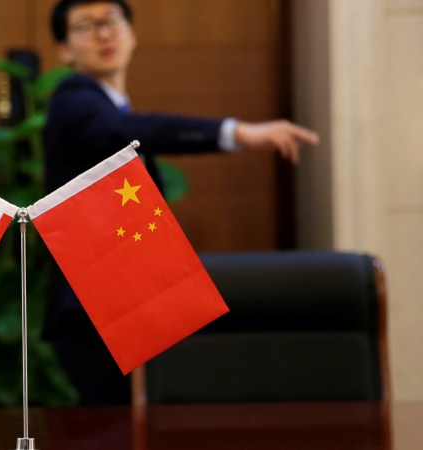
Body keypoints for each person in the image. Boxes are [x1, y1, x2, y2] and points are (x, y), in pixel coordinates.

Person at [44, 0, 319, 405]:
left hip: (124, 304)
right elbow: (129, 131)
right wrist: (236, 132)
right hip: (94, 312)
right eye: (86, 26)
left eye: (112, 22)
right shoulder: (75, 98)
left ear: (132, 34)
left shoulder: (109, 105)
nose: (103, 34)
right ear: (64, 50)